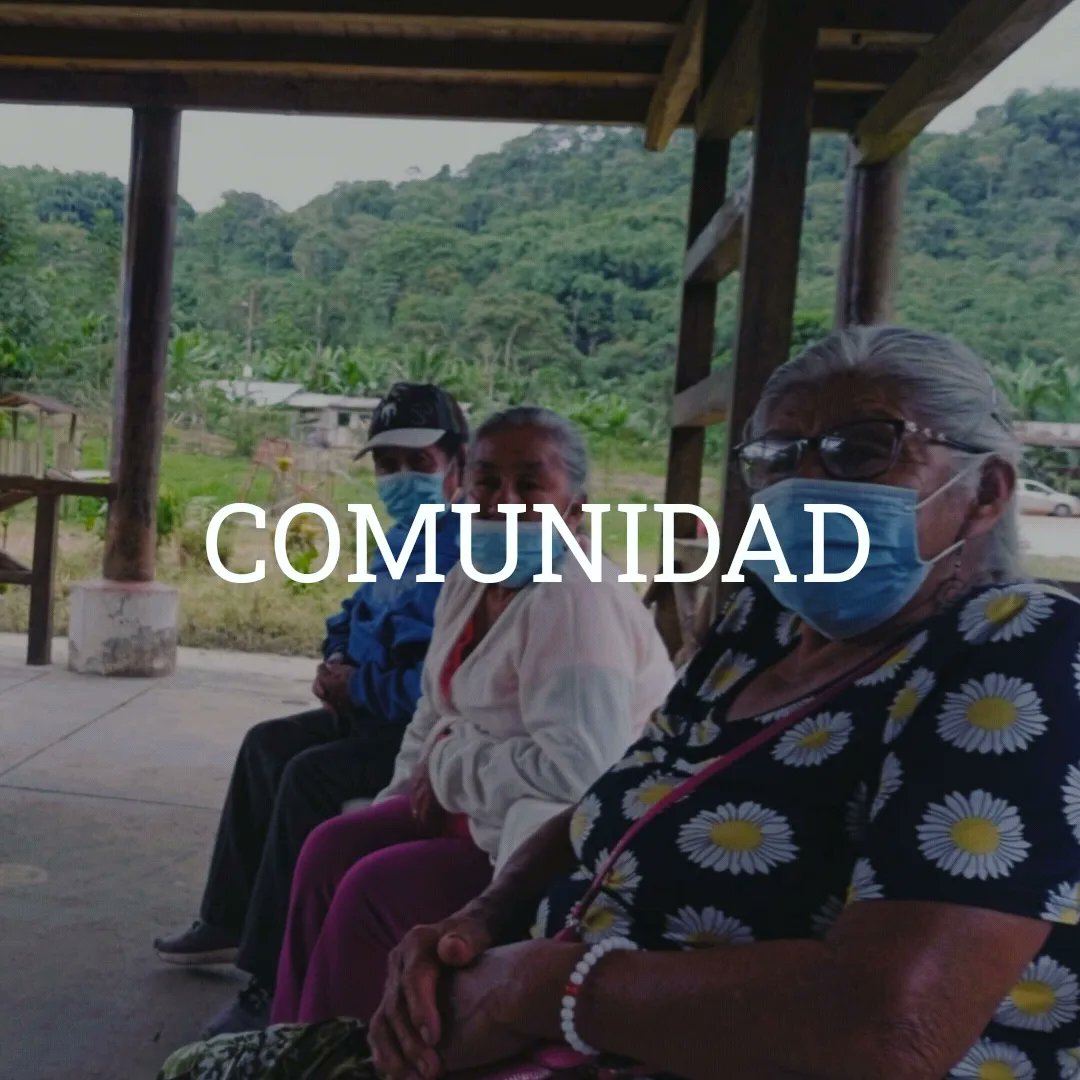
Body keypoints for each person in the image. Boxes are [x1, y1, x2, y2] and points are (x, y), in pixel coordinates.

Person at [160, 326, 1080, 1080]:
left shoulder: (1020, 653)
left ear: (985, 492)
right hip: (559, 987)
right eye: (778, 457)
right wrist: (486, 911)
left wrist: (546, 990)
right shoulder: (764, 619)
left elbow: (889, 1032)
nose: (809, 483)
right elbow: (627, 781)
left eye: (862, 448)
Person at [268, 405, 674, 1026]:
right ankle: (294, 1035)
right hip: (475, 808)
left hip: (540, 842)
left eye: (531, 485)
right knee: (332, 847)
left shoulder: (575, 599)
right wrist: (395, 801)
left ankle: (346, 1053)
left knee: (371, 891)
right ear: (462, 488)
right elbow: (436, 707)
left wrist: (453, 764)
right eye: (486, 481)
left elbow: (578, 774)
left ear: (575, 508)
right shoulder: (472, 574)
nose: (501, 500)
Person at [153, 382, 468, 1037]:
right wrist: (334, 659)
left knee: (309, 776)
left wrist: (361, 687)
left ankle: (270, 978)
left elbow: (444, 681)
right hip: (365, 709)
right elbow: (356, 612)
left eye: (419, 464)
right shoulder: (402, 540)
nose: (401, 479)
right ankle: (226, 919)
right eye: (388, 466)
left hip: (419, 730)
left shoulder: (469, 551)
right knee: (266, 744)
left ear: (457, 467)